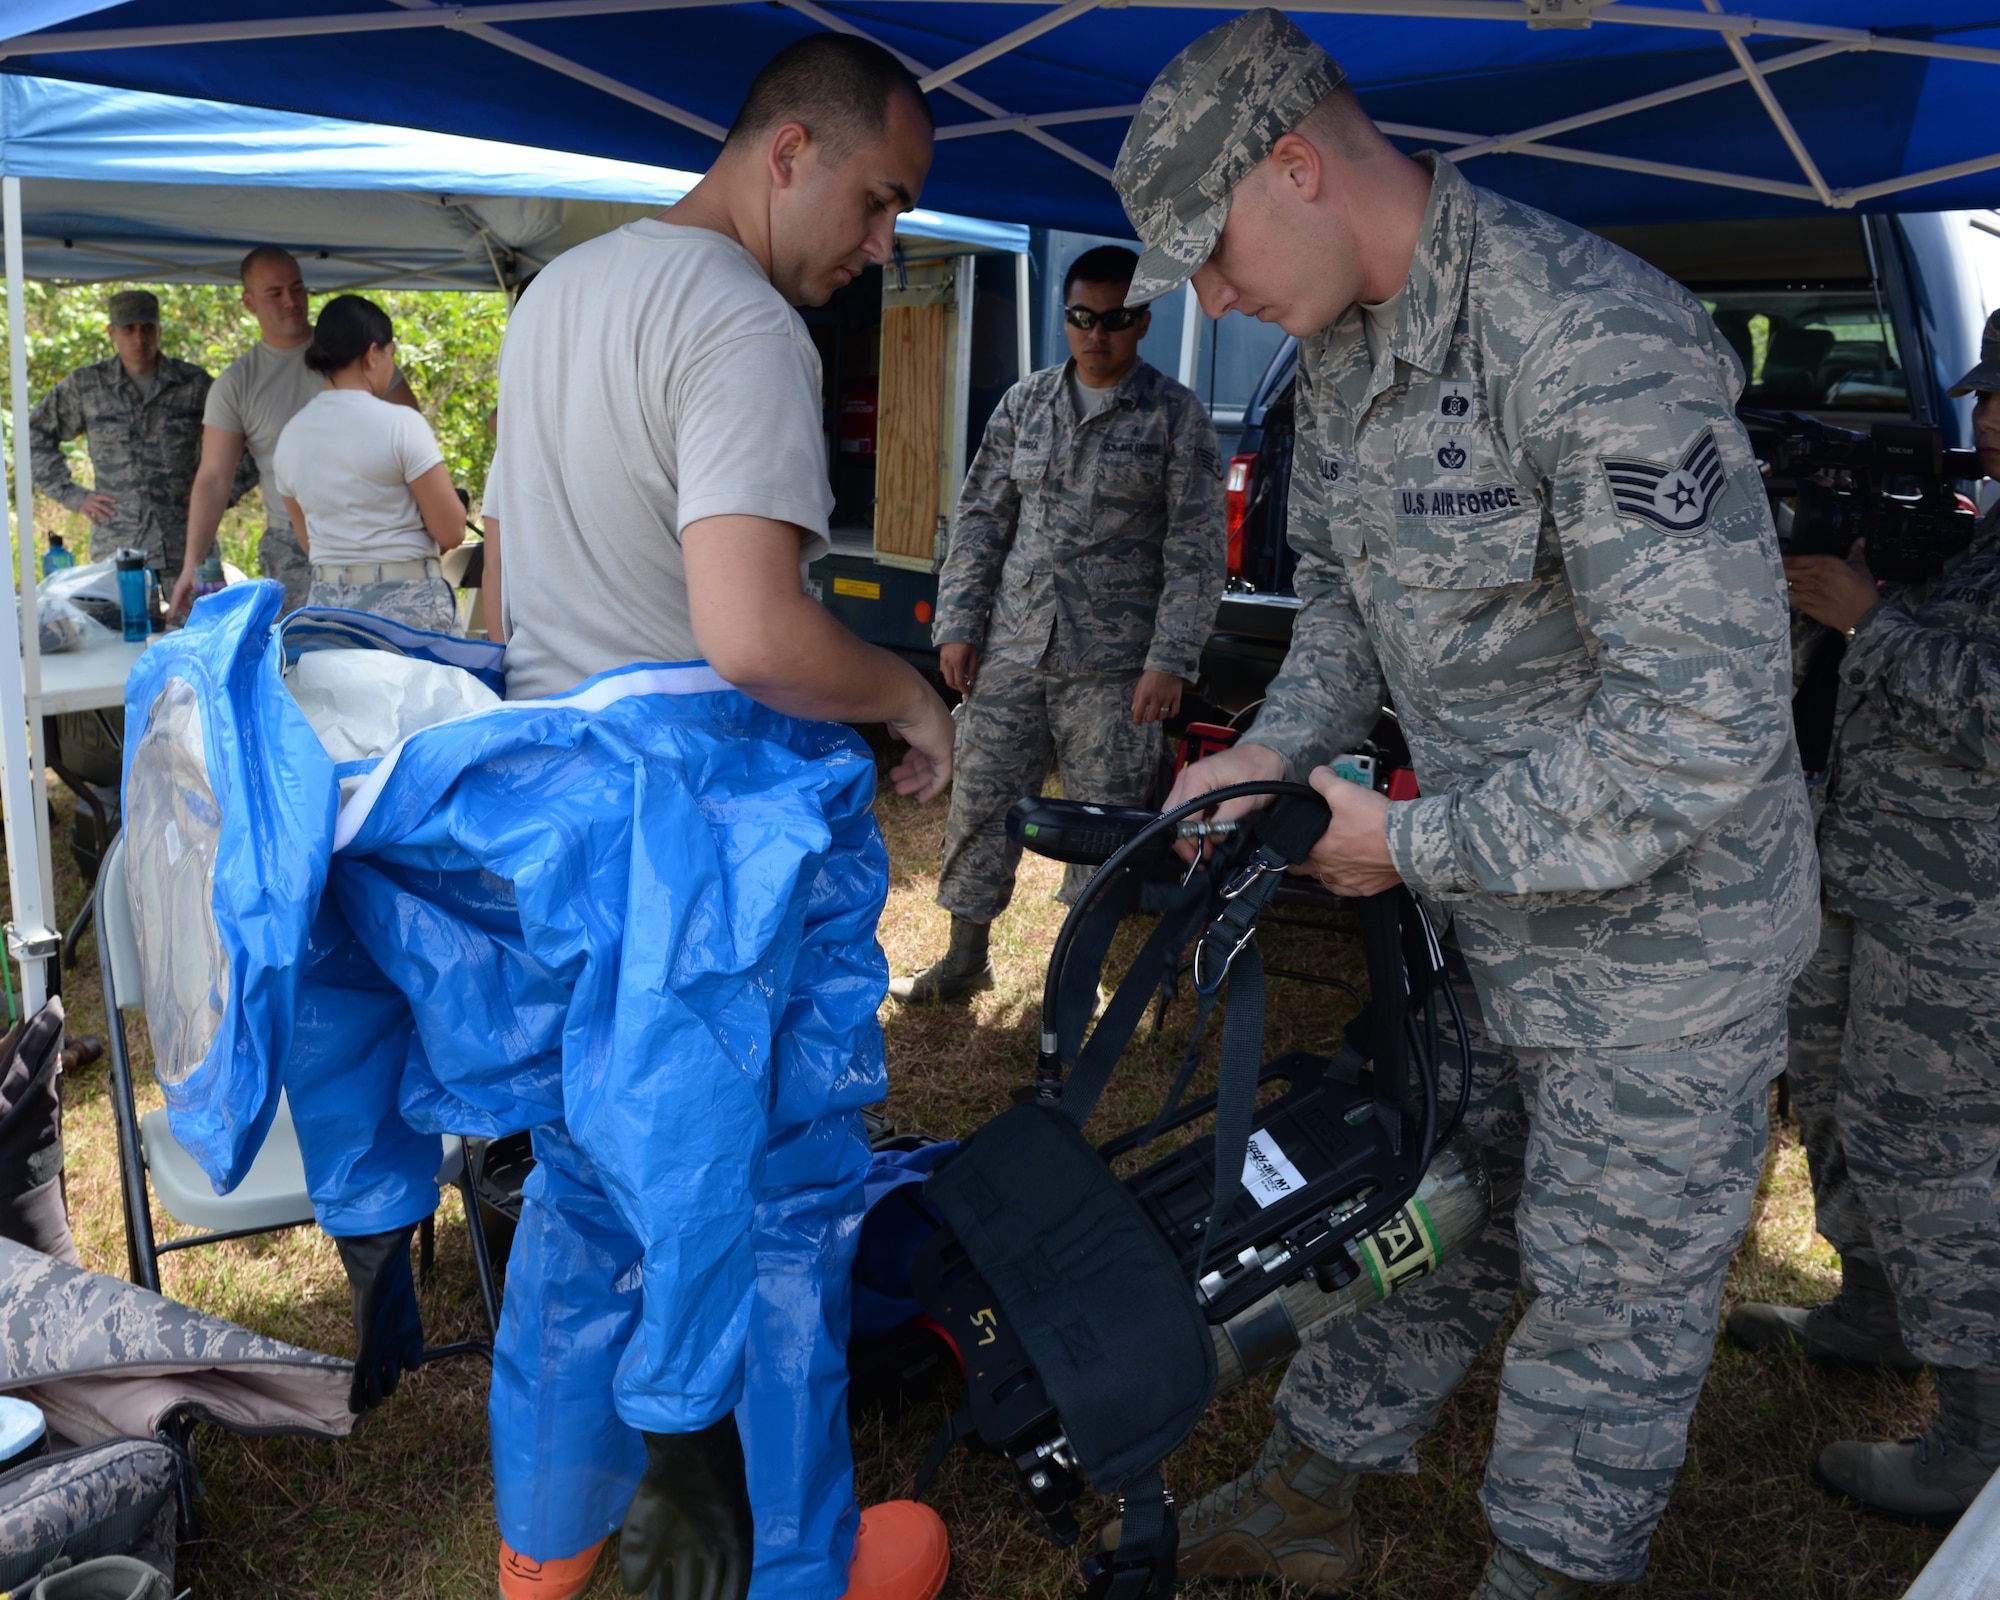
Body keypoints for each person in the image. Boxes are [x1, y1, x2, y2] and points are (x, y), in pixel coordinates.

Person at [1114, 13, 1816, 1597]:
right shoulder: (1341, 346)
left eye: (1213, 255)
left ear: (1296, 165)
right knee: (1423, 1195)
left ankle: (1546, 1576)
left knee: (1611, 1294)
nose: (1210, 300)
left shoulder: (1591, 340)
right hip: (1491, 915)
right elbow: (1348, 617)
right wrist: (1276, 756)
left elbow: (1701, 724)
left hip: (1669, 957)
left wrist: (1407, 845)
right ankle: (1311, 1486)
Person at [482, 32, 955, 1600]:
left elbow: (502, 590)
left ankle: (542, 1565)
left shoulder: (556, 297)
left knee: (581, 1205)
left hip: (558, 832)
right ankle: (800, 1570)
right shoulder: (745, 322)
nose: (878, 247)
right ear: (789, 154)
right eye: (880, 203)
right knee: (773, 1223)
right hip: (703, 869)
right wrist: (899, 693)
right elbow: (753, 635)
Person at [1727, 311, 2000, 1520]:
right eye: (1983, 394)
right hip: (1874, 874)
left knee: (1934, 1151)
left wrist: (1867, 621)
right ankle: (1874, 1310)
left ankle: (1977, 1440)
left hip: (1961, 913)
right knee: (1832, 1095)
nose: (1984, 418)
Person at [888, 245, 1225, 1003]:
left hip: (1116, 669)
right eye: (1080, 318)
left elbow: (1197, 550)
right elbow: (981, 520)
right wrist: (958, 621)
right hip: (1013, 648)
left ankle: (1079, 976)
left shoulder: (1177, 418)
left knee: (1105, 828)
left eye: (1112, 320)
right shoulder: (1024, 404)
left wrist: (1171, 659)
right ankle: (965, 960)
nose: (1095, 334)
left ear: (1141, 320)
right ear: (1064, 318)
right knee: (979, 800)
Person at [170, 246, 419, 618]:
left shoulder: (355, 354)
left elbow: (411, 435)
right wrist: (192, 562)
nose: (291, 301)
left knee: (390, 659)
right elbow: (214, 477)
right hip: (292, 547)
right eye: (275, 293)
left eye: (298, 289)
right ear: (249, 302)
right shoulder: (237, 383)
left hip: (376, 534)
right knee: (309, 665)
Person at [271, 294, 465, 632]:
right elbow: (451, 530)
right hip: (407, 605)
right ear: (373, 354)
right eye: (391, 353)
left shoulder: (289, 436)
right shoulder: (401, 424)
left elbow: (310, 543)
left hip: (327, 608)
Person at [28, 289, 215, 575]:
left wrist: (220, 493)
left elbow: (246, 435)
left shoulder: (193, 384)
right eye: (129, 329)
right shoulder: (87, 387)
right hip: (120, 544)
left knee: (204, 620)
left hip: (189, 541)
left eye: (147, 329)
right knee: (123, 621)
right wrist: (73, 495)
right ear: (111, 332)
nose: (139, 339)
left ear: (159, 331)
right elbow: (32, 435)